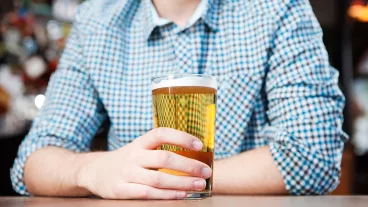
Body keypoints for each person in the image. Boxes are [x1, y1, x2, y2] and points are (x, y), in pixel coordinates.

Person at [11, 0, 348, 199]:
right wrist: (95, 170)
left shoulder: (277, 8)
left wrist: (155, 178)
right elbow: (32, 163)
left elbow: (313, 158)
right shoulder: (96, 19)